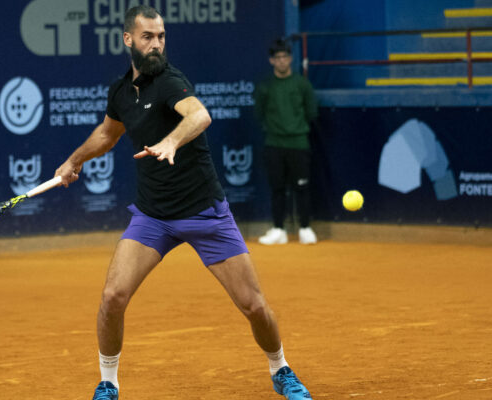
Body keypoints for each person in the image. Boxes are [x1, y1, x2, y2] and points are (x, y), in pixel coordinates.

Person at [54, 6, 311, 400]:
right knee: (112, 297)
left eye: (161, 36)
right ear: (128, 39)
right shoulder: (121, 91)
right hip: (153, 216)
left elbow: (199, 116)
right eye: (147, 37)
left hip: (204, 213)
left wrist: (171, 141)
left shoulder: (171, 82)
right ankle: (108, 382)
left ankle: (281, 369)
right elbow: (108, 133)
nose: (156, 44)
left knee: (254, 306)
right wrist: (74, 160)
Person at [253, 38, 319, 245]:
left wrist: (295, 130)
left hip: (299, 144)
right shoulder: (265, 87)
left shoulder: (302, 84)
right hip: (274, 144)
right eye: (277, 58)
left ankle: (305, 229)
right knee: (277, 189)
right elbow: (259, 114)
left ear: (290, 59)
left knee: (302, 188)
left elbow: (311, 112)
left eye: (285, 57)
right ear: (271, 61)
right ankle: (279, 230)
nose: (282, 61)